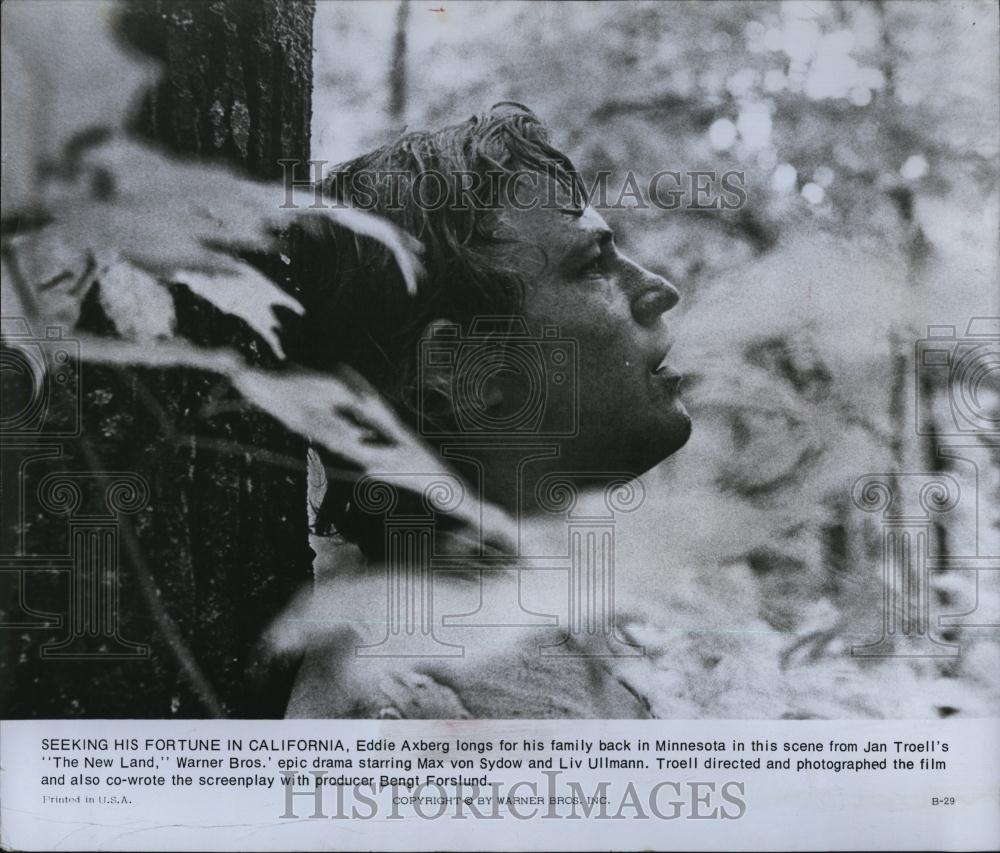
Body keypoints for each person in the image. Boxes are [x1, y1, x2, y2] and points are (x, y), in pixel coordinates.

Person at [273, 103, 691, 718]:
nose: (659, 289)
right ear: (461, 369)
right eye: (592, 265)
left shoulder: (511, 629)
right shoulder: (419, 711)